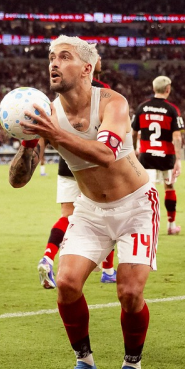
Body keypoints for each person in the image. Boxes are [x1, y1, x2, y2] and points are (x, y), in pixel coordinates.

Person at [13, 36, 160, 369]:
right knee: (65, 284)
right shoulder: (47, 112)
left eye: (64, 57)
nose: (54, 63)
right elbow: (18, 181)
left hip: (136, 206)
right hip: (91, 209)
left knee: (128, 292)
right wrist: (27, 145)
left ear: (86, 68)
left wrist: (53, 133)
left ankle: (131, 365)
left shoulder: (112, 103)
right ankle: (85, 363)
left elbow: (106, 154)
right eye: (51, 57)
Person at [38, 77, 117, 290]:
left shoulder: (62, 95)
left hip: (67, 163)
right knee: (108, 215)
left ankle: (48, 257)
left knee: (66, 216)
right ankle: (108, 271)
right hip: (93, 163)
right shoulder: (104, 92)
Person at [132, 75, 185, 235]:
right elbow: (177, 137)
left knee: (148, 190)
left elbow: (134, 131)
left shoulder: (142, 107)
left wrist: (135, 149)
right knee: (169, 187)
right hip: (166, 156)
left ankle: (147, 228)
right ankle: (171, 225)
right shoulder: (172, 109)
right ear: (168, 89)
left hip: (146, 156)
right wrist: (178, 159)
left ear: (154, 89)